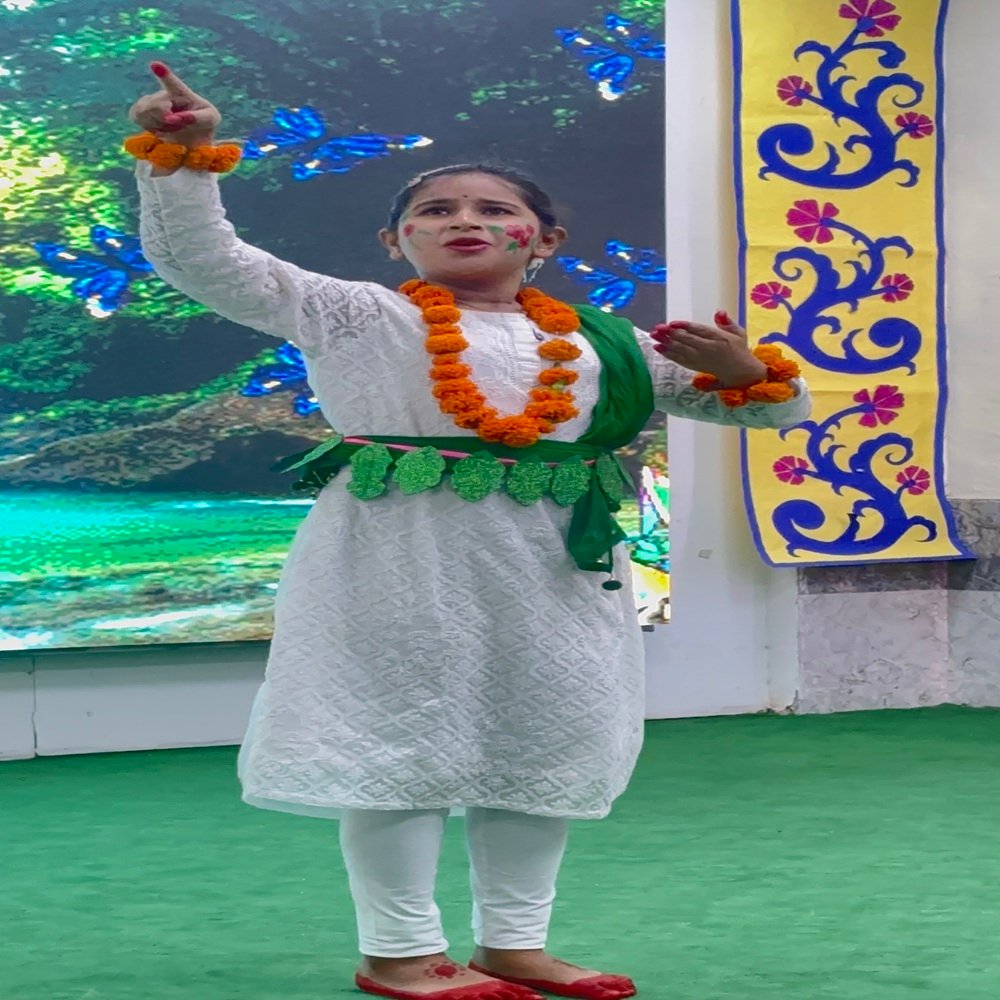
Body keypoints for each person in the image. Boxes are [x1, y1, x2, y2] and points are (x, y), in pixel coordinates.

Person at [127, 62, 810, 1000]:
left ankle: (514, 944)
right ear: (395, 240)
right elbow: (204, 262)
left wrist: (743, 371)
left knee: (544, 743)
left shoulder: (607, 345)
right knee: (397, 746)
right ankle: (399, 952)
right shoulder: (355, 314)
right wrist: (184, 157)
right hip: (394, 563)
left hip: (559, 576)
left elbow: (775, 416)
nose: (465, 220)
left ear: (545, 240)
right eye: (435, 210)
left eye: (494, 209)